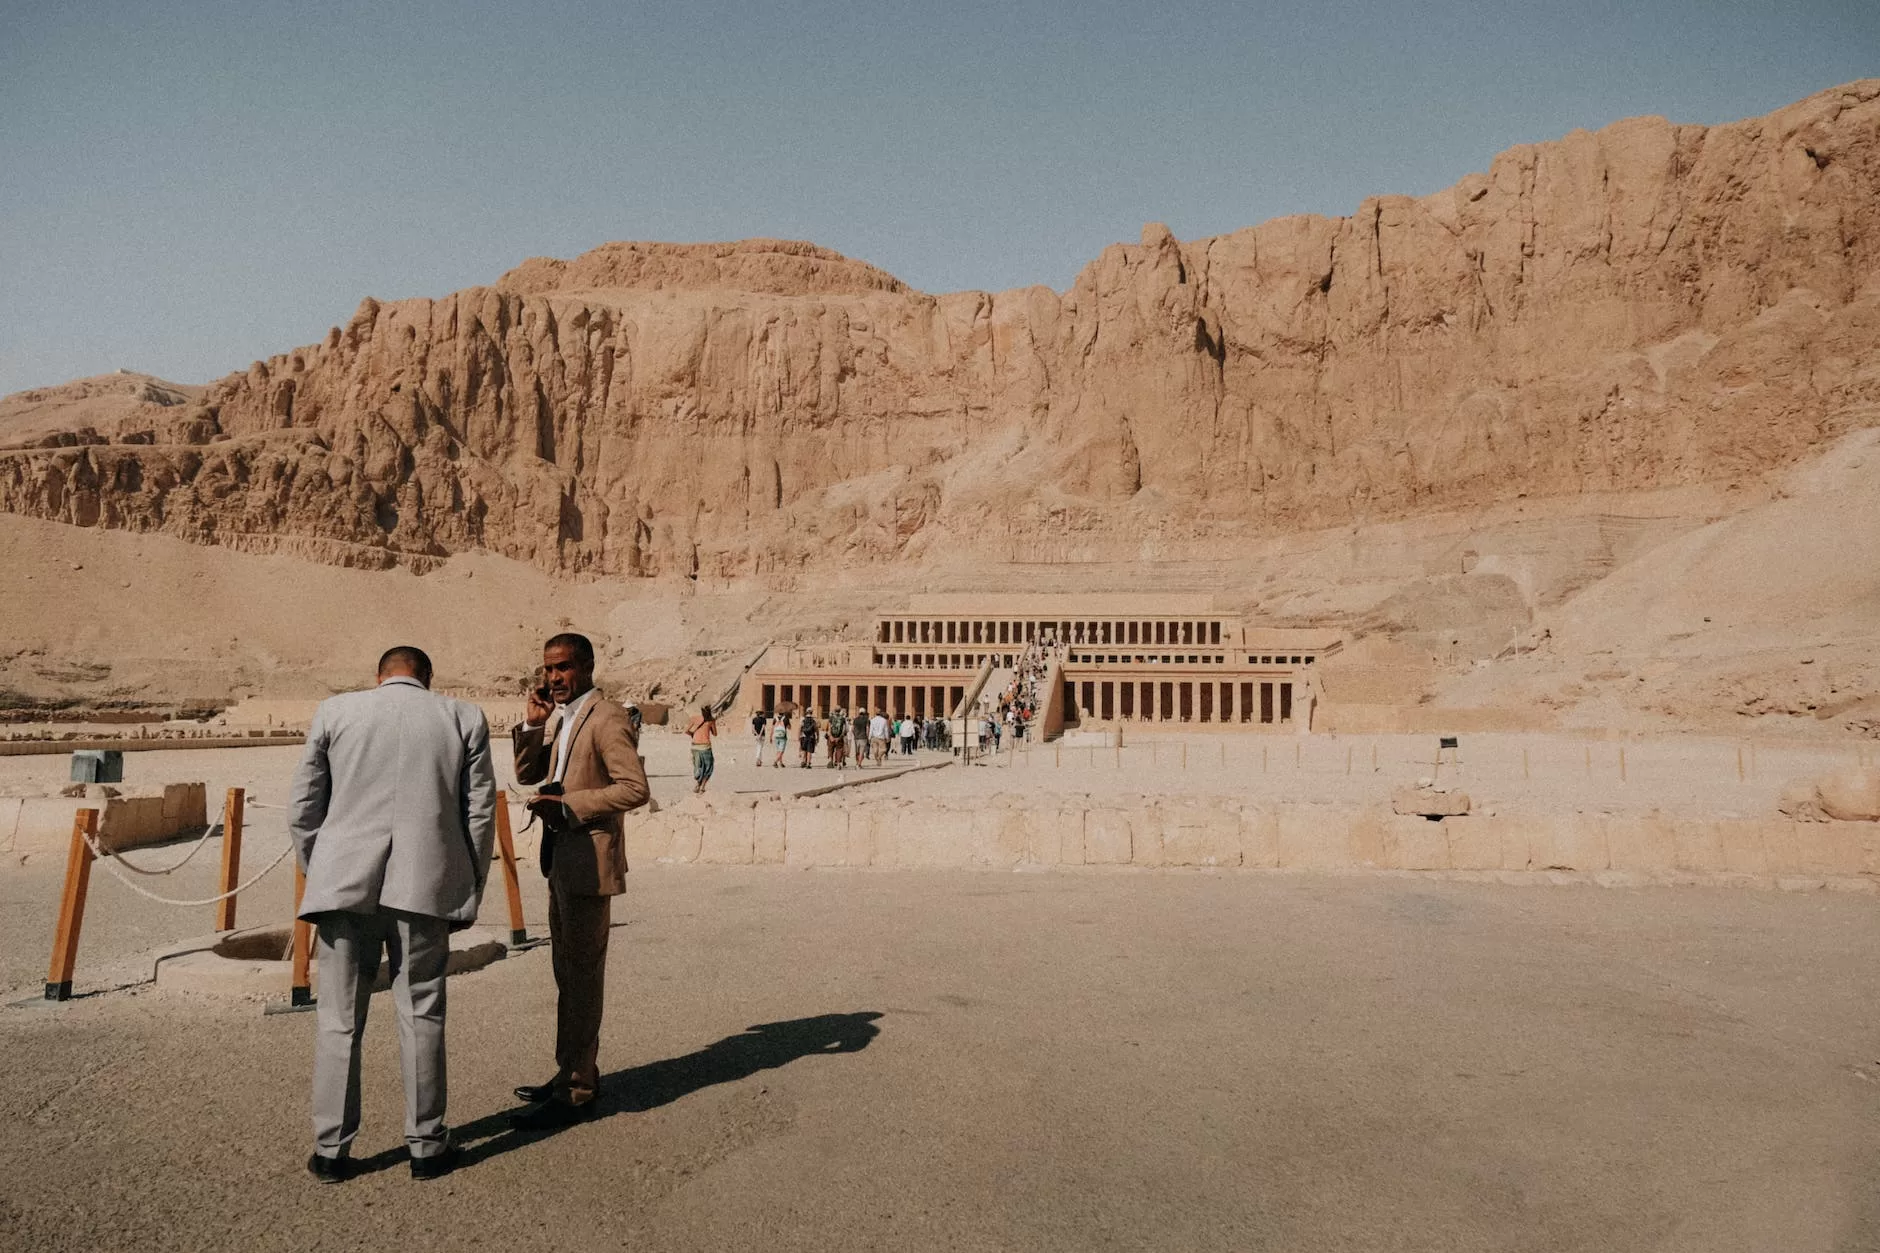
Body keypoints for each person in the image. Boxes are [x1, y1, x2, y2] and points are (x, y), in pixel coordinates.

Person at [288, 645, 496, 1183]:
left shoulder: (337, 712)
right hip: (424, 885)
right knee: (422, 1012)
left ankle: (332, 1150)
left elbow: (303, 807)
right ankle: (427, 1144)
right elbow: (479, 812)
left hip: (343, 887)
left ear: (378, 676)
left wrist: (323, 869)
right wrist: (469, 884)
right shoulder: (462, 716)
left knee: (338, 1021)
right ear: (428, 677)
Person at [509, 632, 650, 1129]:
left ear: (587, 665)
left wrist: (571, 807)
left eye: (564, 667)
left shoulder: (607, 716)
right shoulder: (561, 718)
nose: (554, 678)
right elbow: (527, 774)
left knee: (583, 977)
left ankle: (577, 1089)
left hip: (590, 863)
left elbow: (634, 788)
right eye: (548, 669)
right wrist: (532, 726)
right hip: (560, 860)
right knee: (566, 974)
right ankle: (570, 1070)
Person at [686, 705, 717, 794]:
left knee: (699, 767)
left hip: (695, 747)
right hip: (705, 747)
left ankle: (697, 785)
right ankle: (702, 787)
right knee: (708, 767)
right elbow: (715, 734)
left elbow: (686, 730)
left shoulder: (695, 718)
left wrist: (693, 735)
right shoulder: (711, 720)